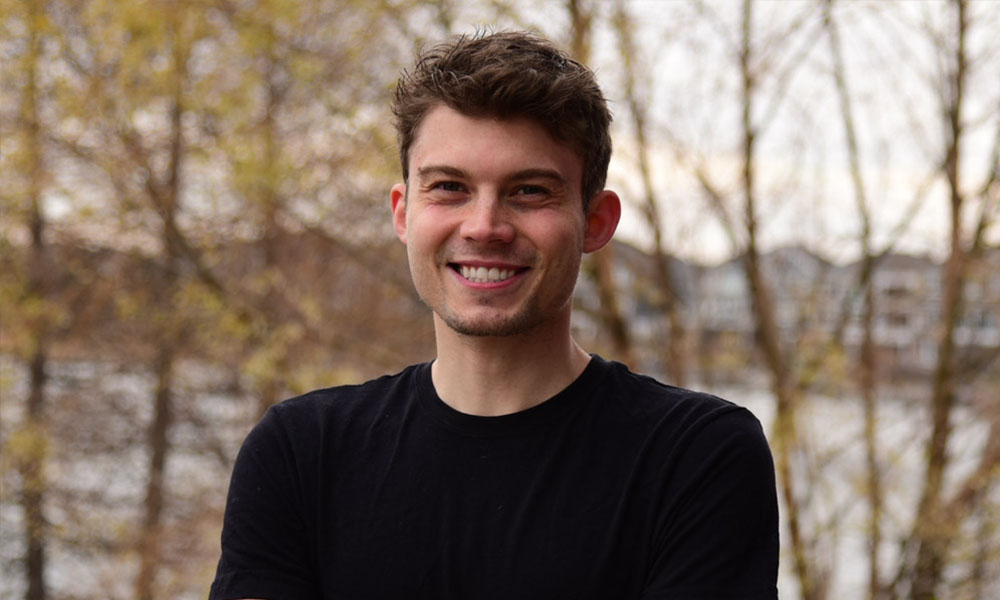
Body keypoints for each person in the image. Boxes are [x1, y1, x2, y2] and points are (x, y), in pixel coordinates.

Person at [209, 30, 779, 600]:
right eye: (450, 187)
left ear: (597, 221)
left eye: (529, 191)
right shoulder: (300, 455)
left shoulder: (696, 459)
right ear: (404, 214)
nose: (485, 226)